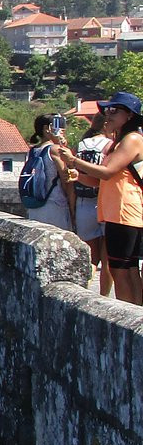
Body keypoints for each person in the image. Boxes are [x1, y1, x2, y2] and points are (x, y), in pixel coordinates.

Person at [55, 92, 143, 305]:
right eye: (106, 111)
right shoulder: (118, 141)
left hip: (125, 211)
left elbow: (107, 172)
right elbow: (101, 180)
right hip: (117, 211)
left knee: (121, 268)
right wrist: (79, 177)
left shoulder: (132, 139)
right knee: (125, 267)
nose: (107, 115)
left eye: (114, 111)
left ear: (129, 115)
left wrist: (74, 161)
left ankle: (129, 315)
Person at [74, 112, 112, 296]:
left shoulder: (81, 144)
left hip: (83, 204)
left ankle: (87, 292)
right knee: (107, 260)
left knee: (90, 258)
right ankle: (104, 296)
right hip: (104, 203)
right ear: (106, 125)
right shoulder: (110, 145)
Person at [25, 114, 76, 232]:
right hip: (55, 204)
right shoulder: (55, 150)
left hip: (36, 205)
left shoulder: (33, 151)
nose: (63, 130)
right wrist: (73, 210)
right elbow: (66, 180)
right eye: (58, 126)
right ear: (47, 129)